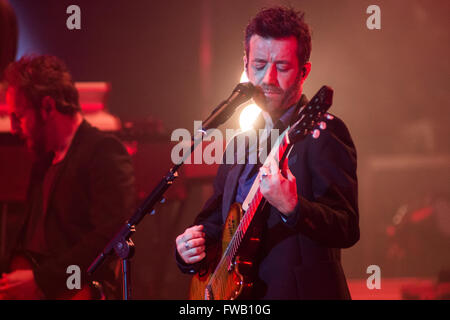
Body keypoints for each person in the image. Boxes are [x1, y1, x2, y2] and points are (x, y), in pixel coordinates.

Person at [175, 6, 359, 299]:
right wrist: (190, 248)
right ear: (245, 64)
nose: (268, 78)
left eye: (282, 67)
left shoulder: (324, 132)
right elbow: (214, 224)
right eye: (259, 64)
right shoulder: (240, 141)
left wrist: (294, 208)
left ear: (304, 71)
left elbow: (347, 227)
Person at [0, 55, 136, 299]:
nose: (14, 127)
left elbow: (112, 235)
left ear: (48, 107)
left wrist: (42, 280)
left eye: (19, 116)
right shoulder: (43, 161)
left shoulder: (103, 151)